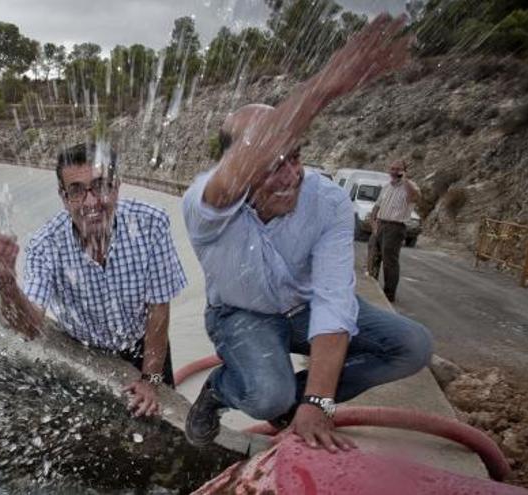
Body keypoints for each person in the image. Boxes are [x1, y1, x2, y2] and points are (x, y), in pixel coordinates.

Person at [182, 13, 432, 453]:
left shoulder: (328, 201)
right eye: (270, 165)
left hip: (303, 308)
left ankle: (291, 399)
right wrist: (322, 88)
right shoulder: (207, 203)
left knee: (412, 347)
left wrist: (318, 400)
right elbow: (235, 174)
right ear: (234, 167)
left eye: (295, 157)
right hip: (242, 315)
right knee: (265, 395)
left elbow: (334, 299)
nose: (290, 175)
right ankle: (222, 388)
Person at [0, 143, 187, 416]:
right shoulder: (45, 246)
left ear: (116, 186)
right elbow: (29, 327)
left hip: (144, 345)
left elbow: (159, 309)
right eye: (77, 191)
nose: (91, 202)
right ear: (64, 197)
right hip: (86, 355)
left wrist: (151, 380)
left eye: (100, 186)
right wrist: (6, 284)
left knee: (162, 418)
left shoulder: (151, 223)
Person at [366, 160, 420, 302]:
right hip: (380, 225)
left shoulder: (410, 187)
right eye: (392, 168)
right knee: (372, 256)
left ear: (404, 171)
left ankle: (389, 294)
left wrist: (405, 180)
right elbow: (376, 207)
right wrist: (373, 224)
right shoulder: (386, 187)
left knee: (390, 261)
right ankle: (372, 288)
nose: (394, 171)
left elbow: (414, 197)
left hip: (395, 227)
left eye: (398, 169)